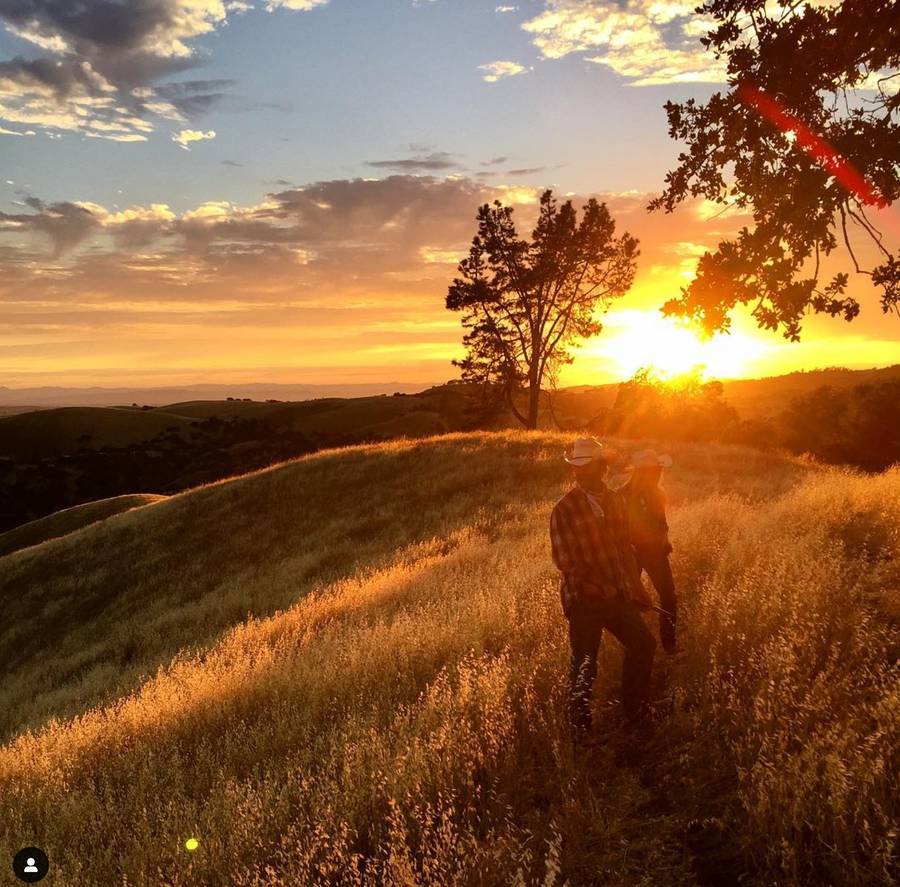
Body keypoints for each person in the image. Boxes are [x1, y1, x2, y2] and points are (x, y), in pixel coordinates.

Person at [550, 438, 656, 735]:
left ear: (601, 467)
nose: (580, 472)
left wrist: (636, 587)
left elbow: (624, 550)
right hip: (583, 599)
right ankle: (579, 729)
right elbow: (565, 560)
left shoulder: (615, 501)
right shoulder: (564, 509)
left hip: (616, 595)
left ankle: (636, 710)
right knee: (585, 662)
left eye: (586, 466)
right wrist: (595, 586)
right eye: (577, 467)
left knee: (643, 644)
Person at [621, 449, 678, 654]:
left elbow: (662, 522)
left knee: (669, 596)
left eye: (658, 470)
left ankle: (669, 643)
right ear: (643, 472)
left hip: (654, 552)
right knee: (631, 600)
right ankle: (635, 644)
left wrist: (664, 539)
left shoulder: (657, 493)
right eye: (654, 470)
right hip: (632, 552)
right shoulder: (623, 495)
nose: (658, 473)